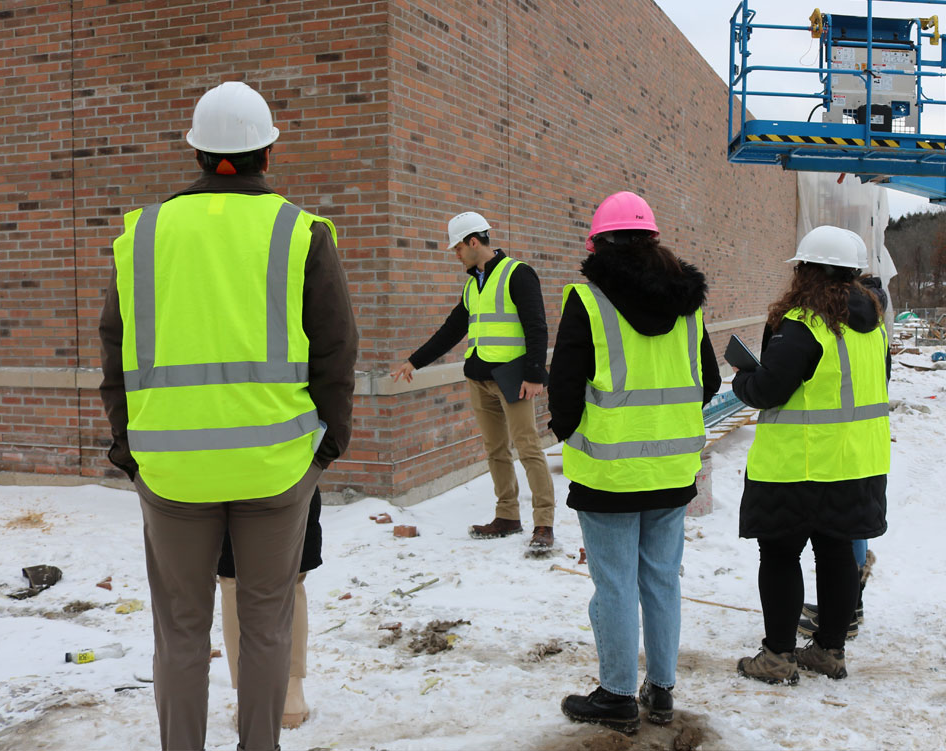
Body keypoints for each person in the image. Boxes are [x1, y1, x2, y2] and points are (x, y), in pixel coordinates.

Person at [99, 80, 358, 751]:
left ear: (197, 154)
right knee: (266, 622)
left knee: (181, 630)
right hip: (275, 467)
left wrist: (129, 446)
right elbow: (336, 349)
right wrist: (322, 451)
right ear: (267, 154)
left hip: (172, 470)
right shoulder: (301, 233)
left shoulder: (143, 234)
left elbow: (113, 348)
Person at [548, 191, 719, 733]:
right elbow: (709, 380)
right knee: (662, 582)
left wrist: (575, 434)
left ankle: (618, 695)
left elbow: (564, 385)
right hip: (671, 471)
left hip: (607, 473)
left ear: (597, 243)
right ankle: (661, 692)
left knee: (616, 585)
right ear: (653, 240)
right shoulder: (686, 302)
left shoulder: (588, 298)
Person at [733, 226, 889, 685]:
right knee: (838, 553)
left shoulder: (802, 323)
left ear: (806, 271)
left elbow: (767, 390)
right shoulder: (873, 326)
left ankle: (778, 657)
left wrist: (744, 378)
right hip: (858, 463)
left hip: (798, 467)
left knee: (780, 557)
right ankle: (828, 651)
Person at [392, 211, 555, 551]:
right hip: (479, 380)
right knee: (495, 450)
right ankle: (508, 516)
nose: (456, 255)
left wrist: (535, 374)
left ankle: (544, 524)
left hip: (514, 380)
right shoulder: (472, 284)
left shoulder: (518, 274)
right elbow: (451, 330)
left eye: (458, 248)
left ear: (474, 242)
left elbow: (536, 326)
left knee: (528, 449)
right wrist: (414, 362)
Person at [216, 488, 322, 730]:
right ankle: (290, 697)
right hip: (287, 469)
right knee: (290, 579)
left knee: (234, 582)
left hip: (223, 472)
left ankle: (251, 699)